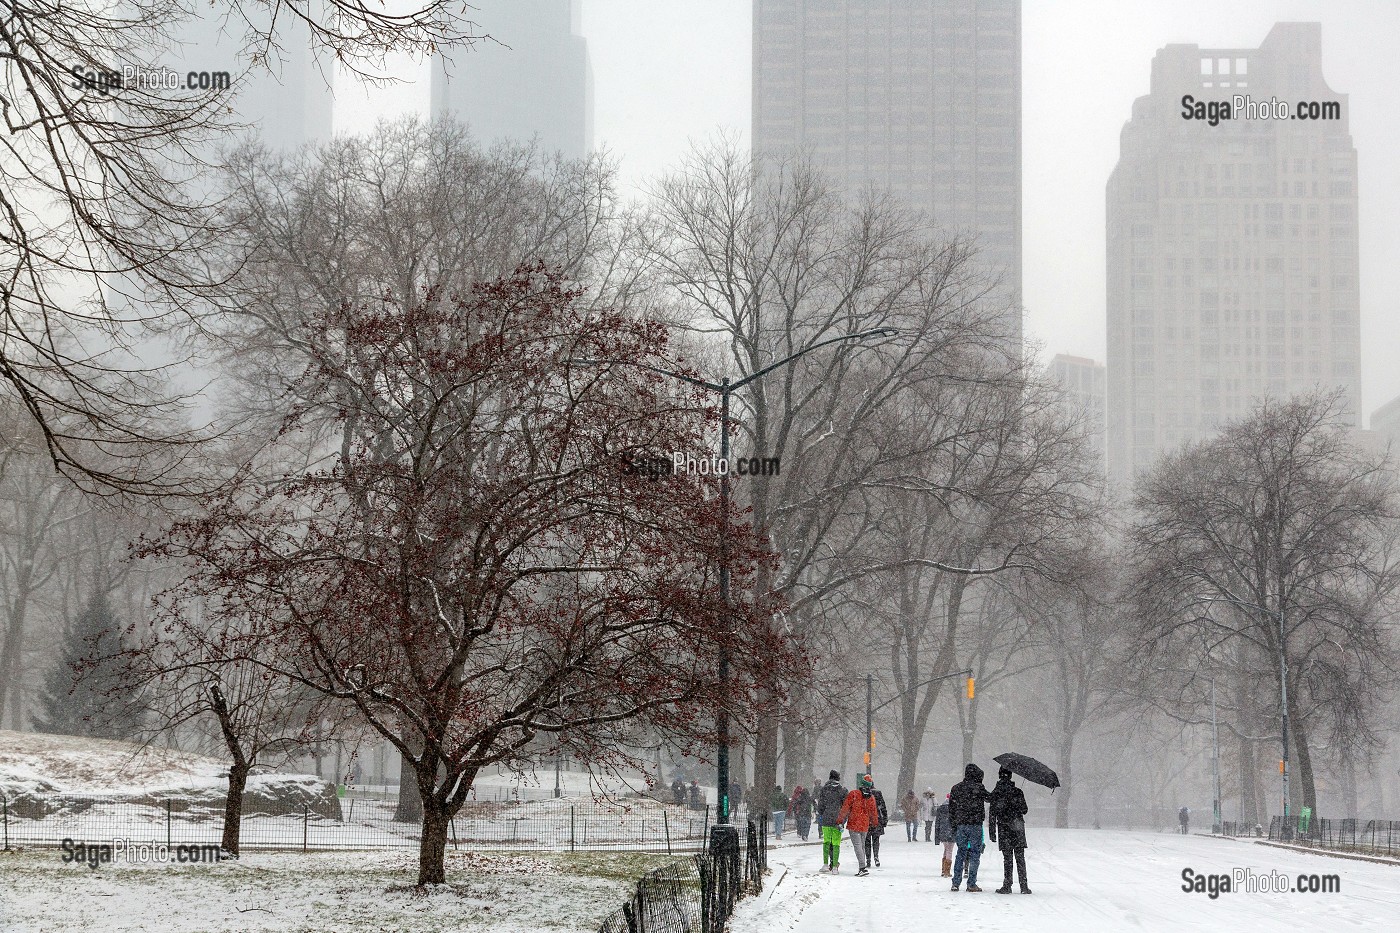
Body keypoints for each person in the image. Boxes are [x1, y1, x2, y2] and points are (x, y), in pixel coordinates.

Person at [948, 763, 990, 892]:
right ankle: (971, 883)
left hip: (961, 825)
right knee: (975, 854)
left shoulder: (956, 788)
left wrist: (954, 824)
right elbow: (990, 798)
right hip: (975, 825)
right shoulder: (979, 788)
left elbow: (952, 809)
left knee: (960, 853)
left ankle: (956, 882)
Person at [989, 766, 1031, 894]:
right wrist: (1016, 802)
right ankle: (1024, 886)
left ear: (999, 775)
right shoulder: (1018, 792)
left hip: (1003, 827)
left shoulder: (996, 792)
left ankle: (1007, 885)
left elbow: (992, 813)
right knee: (1020, 857)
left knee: (1007, 858)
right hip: (1017, 826)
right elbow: (1025, 810)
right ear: (1011, 776)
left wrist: (992, 831)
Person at [838, 774, 881, 877]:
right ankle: (862, 866)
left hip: (854, 823)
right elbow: (873, 812)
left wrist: (840, 820)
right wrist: (874, 823)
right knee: (861, 846)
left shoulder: (853, 794)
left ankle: (862, 867)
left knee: (858, 846)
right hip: (864, 825)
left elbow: (845, 808)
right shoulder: (871, 798)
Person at [816, 770, 848, 873]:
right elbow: (845, 807)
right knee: (836, 844)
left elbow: (820, 806)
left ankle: (825, 864)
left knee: (826, 842)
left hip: (826, 819)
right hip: (837, 820)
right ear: (838, 778)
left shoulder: (824, 790)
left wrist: (822, 814)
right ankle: (834, 866)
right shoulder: (842, 791)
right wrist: (843, 820)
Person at [862, 780, 889, 868]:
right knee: (876, 839)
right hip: (877, 819)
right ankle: (876, 856)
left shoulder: (863, 794)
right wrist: (885, 818)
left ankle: (868, 859)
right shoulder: (878, 793)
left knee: (867, 840)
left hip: (866, 820)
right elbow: (883, 807)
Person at [935, 792, 954, 877]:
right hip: (952, 832)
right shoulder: (955, 808)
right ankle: (947, 871)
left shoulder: (940, 809)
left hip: (942, 832)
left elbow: (937, 823)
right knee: (949, 850)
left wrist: (937, 837)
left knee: (946, 849)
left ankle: (943, 869)